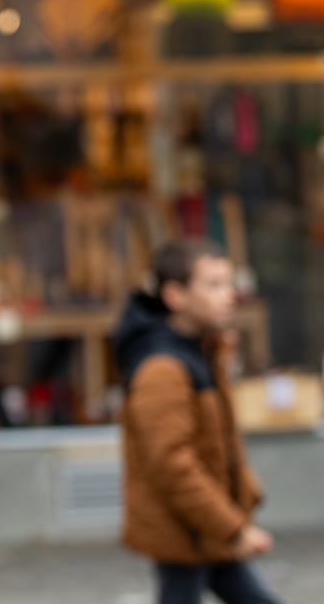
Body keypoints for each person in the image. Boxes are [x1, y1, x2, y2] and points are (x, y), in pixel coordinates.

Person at [114, 237, 281, 604]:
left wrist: (243, 497)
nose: (229, 295)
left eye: (229, 283)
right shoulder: (162, 367)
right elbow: (174, 466)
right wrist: (232, 528)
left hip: (202, 530)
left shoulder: (201, 349)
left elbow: (217, 442)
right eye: (214, 285)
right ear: (175, 295)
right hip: (186, 533)